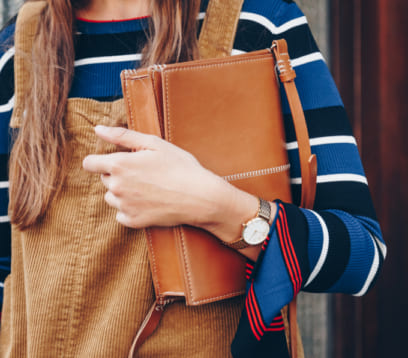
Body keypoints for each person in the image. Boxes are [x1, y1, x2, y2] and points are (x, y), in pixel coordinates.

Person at [0, 0, 386, 356]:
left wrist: (218, 208)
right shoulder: (21, 45)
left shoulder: (256, 24)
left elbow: (362, 255)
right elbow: (7, 271)